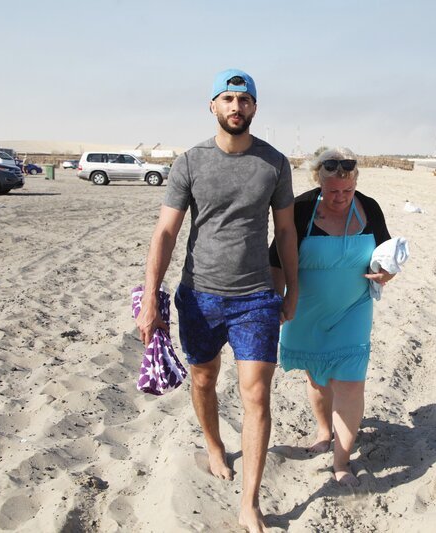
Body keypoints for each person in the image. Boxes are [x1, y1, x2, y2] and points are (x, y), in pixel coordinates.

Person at [134, 68, 299, 533]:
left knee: (257, 395)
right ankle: (213, 445)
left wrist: (293, 289)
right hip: (199, 296)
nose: (236, 107)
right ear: (212, 105)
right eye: (227, 98)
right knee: (204, 379)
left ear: (255, 107)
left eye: (244, 100)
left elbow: (286, 232)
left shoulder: (274, 163)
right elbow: (166, 232)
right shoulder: (189, 162)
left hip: (256, 299)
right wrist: (151, 298)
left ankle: (250, 502)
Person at [269, 148, 395, 487]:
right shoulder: (300, 209)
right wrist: (276, 301)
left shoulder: (369, 207)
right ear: (318, 182)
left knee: (350, 384)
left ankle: (341, 461)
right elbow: (276, 260)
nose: (340, 197)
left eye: (347, 190)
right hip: (306, 309)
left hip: (354, 308)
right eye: (332, 190)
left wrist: (388, 274)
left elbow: (387, 254)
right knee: (318, 378)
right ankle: (324, 432)